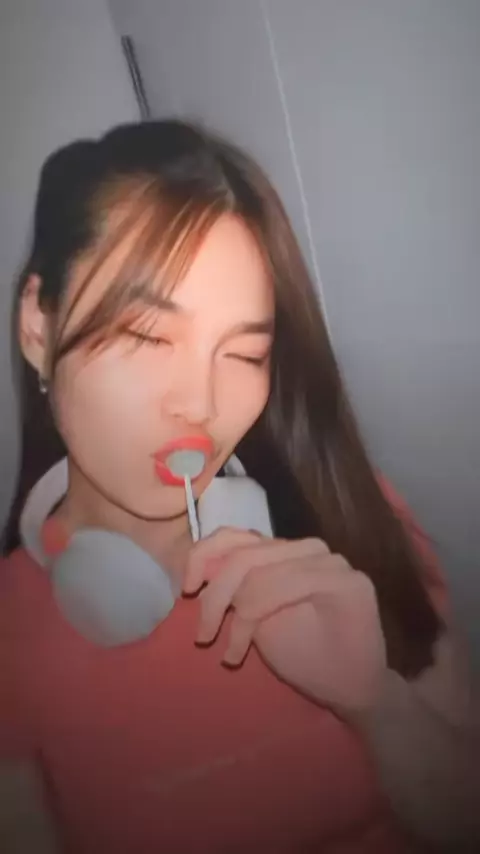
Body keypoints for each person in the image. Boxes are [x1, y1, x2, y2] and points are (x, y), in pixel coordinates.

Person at [0, 119, 477, 854]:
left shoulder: (349, 513)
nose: (199, 403)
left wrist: (376, 704)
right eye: (147, 336)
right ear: (38, 325)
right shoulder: (12, 637)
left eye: (245, 353)